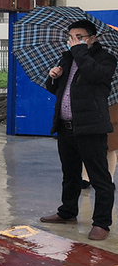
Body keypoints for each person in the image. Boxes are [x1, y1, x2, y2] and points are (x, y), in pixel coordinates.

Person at [41, 19, 116, 241]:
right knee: (70, 173)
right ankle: (67, 211)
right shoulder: (67, 58)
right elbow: (57, 90)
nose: (73, 41)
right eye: (71, 37)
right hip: (66, 127)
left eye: (79, 37)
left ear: (92, 39)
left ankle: (101, 223)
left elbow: (95, 75)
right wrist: (53, 77)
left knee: (100, 177)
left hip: (91, 128)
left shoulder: (105, 59)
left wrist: (79, 51)